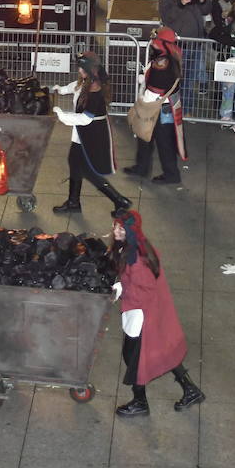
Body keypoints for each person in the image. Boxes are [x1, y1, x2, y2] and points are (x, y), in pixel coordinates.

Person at [108, 208, 204, 416]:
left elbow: (143, 291)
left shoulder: (135, 260)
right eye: (115, 227)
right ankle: (190, 389)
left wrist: (120, 290)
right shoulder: (139, 248)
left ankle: (140, 402)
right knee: (162, 350)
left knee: (133, 358)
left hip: (142, 316)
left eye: (121, 230)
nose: (116, 232)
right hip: (152, 312)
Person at [52, 52, 131, 215]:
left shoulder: (95, 88)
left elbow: (86, 118)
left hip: (91, 133)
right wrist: (61, 90)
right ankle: (74, 202)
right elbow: (76, 87)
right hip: (84, 132)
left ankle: (119, 200)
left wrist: (62, 116)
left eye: (82, 68)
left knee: (86, 169)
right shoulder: (88, 80)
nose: (79, 70)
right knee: (74, 162)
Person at [125, 27, 187, 184]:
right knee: (147, 138)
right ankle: (142, 167)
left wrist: (143, 104)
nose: (152, 42)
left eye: (155, 39)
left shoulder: (162, 63)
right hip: (167, 106)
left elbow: (155, 88)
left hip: (158, 108)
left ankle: (170, 175)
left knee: (162, 141)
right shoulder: (173, 55)